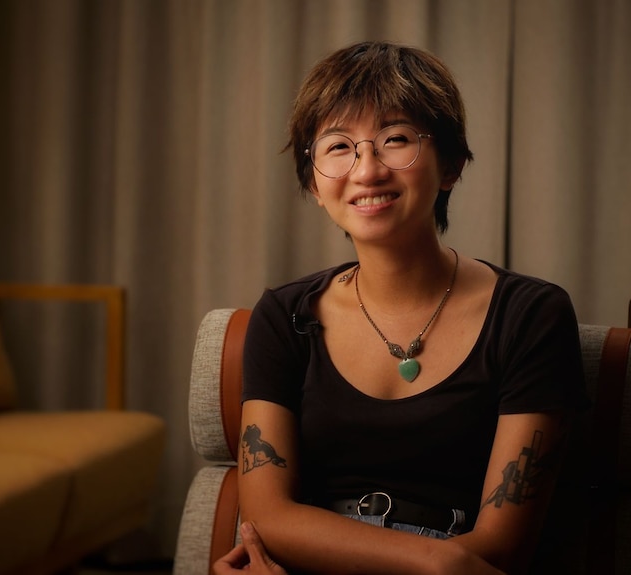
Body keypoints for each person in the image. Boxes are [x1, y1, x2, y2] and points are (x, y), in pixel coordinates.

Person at [214, 41, 588, 575]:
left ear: (452, 165)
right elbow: (267, 515)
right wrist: (437, 560)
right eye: (338, 147)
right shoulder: (285, 315)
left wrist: (445, 562)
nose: (366, 171)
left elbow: (504, 547)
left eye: (395, 140)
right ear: (315, 184)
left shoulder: (531, 314)